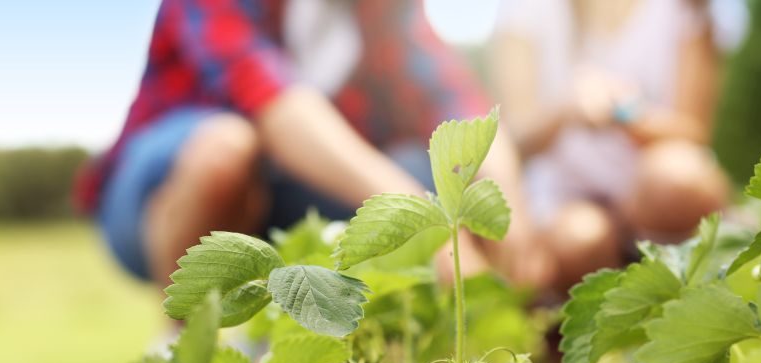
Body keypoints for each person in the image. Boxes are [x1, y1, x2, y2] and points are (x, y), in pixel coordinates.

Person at [75, 0, 554, 289]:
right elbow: (276, 105)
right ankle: (181, 345)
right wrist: (422, 228)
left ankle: (358, 335)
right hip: (158, 197)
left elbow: (455, 101)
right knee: (224, 148)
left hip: (291, 194)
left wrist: (506, 205)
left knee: (443, 175)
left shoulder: (382, 9)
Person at [490, 0, 730, 291]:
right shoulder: (525, 10)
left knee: (676, 182)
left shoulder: (682, 9)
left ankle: (687, 289)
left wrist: (626, 114)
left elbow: (694, 130)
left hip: (648, 182)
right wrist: (567, 108)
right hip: (567, 192)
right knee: (578, 241)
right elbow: (515, 138)